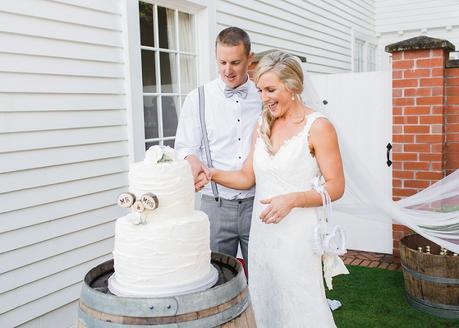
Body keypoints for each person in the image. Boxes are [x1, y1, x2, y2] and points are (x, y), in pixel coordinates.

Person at [209, 51, 345, 327]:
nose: (264, 97)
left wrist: (292, 200)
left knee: (300, 303)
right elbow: (247, 177)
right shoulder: (262, 125)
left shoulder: (318, 127)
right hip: (263, 236)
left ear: (293, 86)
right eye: (260, 90)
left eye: (271, 89)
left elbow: (337, 186)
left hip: (297, 238)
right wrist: (211, 173)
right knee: (265, 299)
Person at [175, 27, 262, 270]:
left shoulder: (264, 95)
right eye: (222, 62)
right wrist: (192, 161)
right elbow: (185, 146)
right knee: (217, 278)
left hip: (259, 203)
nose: (227, 70)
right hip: (215, 204)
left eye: (235, 62)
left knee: (263, 277)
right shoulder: (198, 98)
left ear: (249, 58)